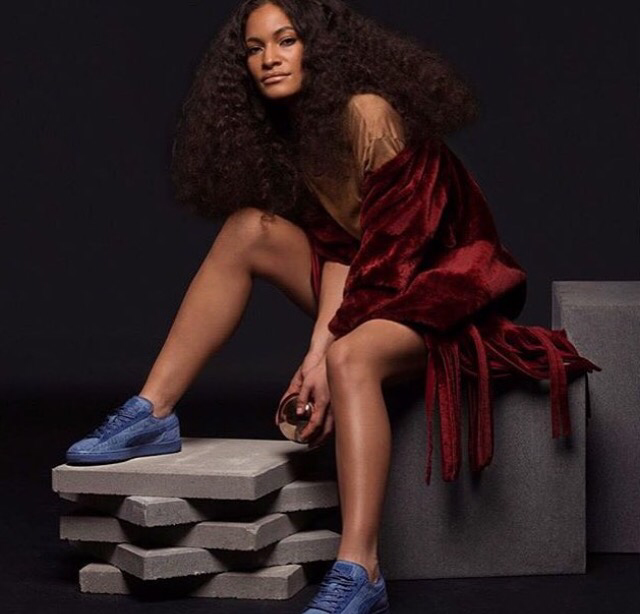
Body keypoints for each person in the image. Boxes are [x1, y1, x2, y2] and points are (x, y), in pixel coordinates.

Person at [65, 1, 600, 612]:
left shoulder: (368, 113)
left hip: (442, 293)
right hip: (376, 287)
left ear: (316, 46)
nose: (269, 59)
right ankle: (152, 412)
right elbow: (341, 252)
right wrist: (315, 348)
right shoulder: (298, 133)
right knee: (249, 229)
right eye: (254, 48)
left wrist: (327, 357)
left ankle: (360, 570)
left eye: (285, 40)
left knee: (350, 360)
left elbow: (396, 255)